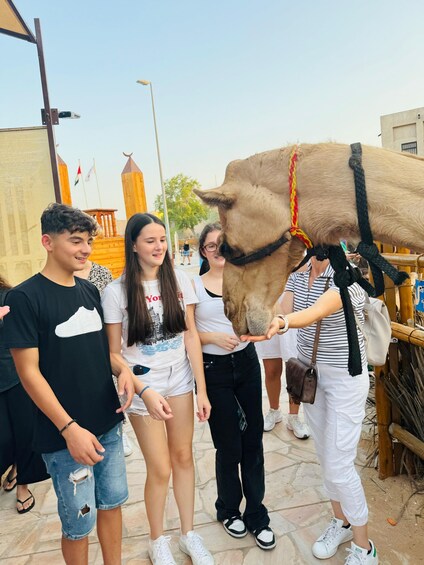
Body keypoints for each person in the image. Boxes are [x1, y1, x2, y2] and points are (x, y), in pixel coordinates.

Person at [4, 203, 134, 565]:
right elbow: (29, 373)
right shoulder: (25, 298)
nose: (85, 249)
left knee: (112, 504)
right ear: (47, 241)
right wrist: (69, 428)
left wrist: (122, 368)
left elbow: (103, 353)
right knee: (79, 522)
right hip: (64, 437)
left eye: (88, 241)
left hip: (107, 423)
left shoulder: (90, 292)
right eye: (75, 241)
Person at [242, 256, 378, 565]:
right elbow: (283, 309)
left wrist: (282, 323)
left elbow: (315, 312)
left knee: (340, 463)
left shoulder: (348, 277)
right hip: (312, 376)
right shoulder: (298, 276)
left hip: (345, 379)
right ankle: (340, 521)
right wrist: (262, 316)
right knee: (326, 456)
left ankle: (364, 547)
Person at [102, 213, 214, 565]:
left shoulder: (182, 280)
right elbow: (112, 354)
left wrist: (202, 389)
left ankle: (188, 534)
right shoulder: (115, 291)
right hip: (140, 387)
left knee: (183, 457)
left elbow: (191, 335)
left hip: (179, 380)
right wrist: (142, 388)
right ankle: (157, 539)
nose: (159, 246)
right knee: (160, 467)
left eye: (162, 239)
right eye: (150, 240)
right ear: (133, 245)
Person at [192, 223, 276, 551]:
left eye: (223, 244)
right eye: (211, 246)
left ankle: (257, 513)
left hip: (246, 364)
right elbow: (185, 335)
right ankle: (227, 509)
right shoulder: (194, 287)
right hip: (214, 370)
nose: (218, 250)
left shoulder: (244, 279)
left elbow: (267, 312)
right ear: (203, 251)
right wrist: (212, 337)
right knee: (229, 445)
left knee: (253, 440)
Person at [74, 260, 134, 457]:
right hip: (77, 341)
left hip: (103, 337)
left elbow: (109, 308)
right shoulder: (63, 276)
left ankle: (119, 428)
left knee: (112, 383)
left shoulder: (101, 273)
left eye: (89, 240)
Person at [1, 275, 49, 514]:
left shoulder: (9, 296)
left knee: (25, 432)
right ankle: (13, 465)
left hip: (15, 375)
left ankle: (22, 485)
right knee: (4, 438)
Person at [255, 328, 311, 439]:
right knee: (271, 371)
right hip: (269, 320)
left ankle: (293, 417)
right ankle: (274, 411)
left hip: (292, 321)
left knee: (294, 370)